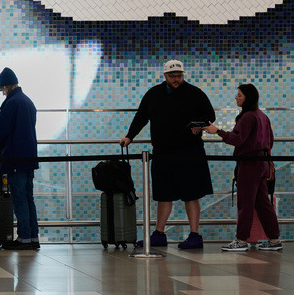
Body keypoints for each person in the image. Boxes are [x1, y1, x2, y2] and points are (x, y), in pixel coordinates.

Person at [120, 59, 215, 249]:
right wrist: (129, 136)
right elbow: (141, 117)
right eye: (172, 76)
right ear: (165, 76)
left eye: (179, 76)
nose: (176, 79)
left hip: (189, 150)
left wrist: (199, 126)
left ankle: (195, 235)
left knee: (191, 194)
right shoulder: (154, 94)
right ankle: (159, 234)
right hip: (162, 152)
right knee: (163, 194)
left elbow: (209, 115)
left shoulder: (194, 93)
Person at [205, 84, 282, 252]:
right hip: (262, 162)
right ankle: (274, 239)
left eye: (239, 95)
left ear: (248, 97)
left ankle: (241, 240)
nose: (236, 97)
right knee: (263, 203)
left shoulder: (247, 117)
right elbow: (270, 140)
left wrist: (217, 131)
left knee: (245, 203)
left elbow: (236, 139)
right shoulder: (262, 116)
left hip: (249, 164)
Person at [0, 67, 40, 250]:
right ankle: (33, 237)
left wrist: (1, 150)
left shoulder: (12, 103)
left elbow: (1, 130)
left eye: (1, 89)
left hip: (15, 159)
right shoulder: (28, 102)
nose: (2, 92)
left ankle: (23, 238)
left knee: (19, 198)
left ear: (5, 86)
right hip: (29, 157)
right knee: (29, 198)